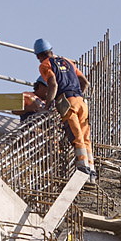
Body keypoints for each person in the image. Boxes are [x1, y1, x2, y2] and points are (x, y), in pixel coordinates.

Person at [23, 39, 97, 178]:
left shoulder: (45, 65)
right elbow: (85, 82)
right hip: (81, 102)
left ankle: (82, 167)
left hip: (67, 103)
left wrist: (48, 105)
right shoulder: (68, 62)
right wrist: (78, 95)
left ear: (38, 56)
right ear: (51, 49)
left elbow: (53, 84)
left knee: (76, 135)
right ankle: (91, 168)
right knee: (86, 136)